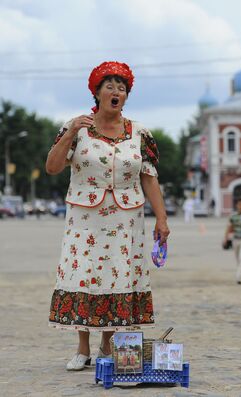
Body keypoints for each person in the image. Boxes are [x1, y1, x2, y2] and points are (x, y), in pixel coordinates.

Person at [46, 61, 169, 371]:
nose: (117, 92)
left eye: (122, 88)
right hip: (85, 218)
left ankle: (108, 341)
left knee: (119, 274)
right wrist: (72, 131)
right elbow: (52, 166)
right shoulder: (76, 128)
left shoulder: (140, 133)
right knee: (83, 274)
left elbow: (149, 177)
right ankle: (83, 346)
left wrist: (162, 220)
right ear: (97, 92)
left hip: (125, 217)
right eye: (110, 87)